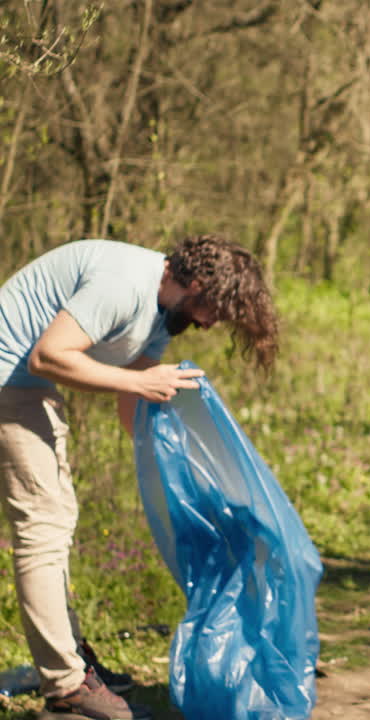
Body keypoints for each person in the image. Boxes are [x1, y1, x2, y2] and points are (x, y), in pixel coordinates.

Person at [0, 235, 279, 720]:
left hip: (27, 385)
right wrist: (138, 381)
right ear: (193, 282)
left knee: (57, 519)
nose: (210, 324)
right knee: (43, 528)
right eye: (212, 309)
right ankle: (66, 685)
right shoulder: (124, 284)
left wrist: (175, 470)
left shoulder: (161, 311)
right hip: (10, 381)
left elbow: (136, 401)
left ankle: (69, 659)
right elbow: (49, 354)